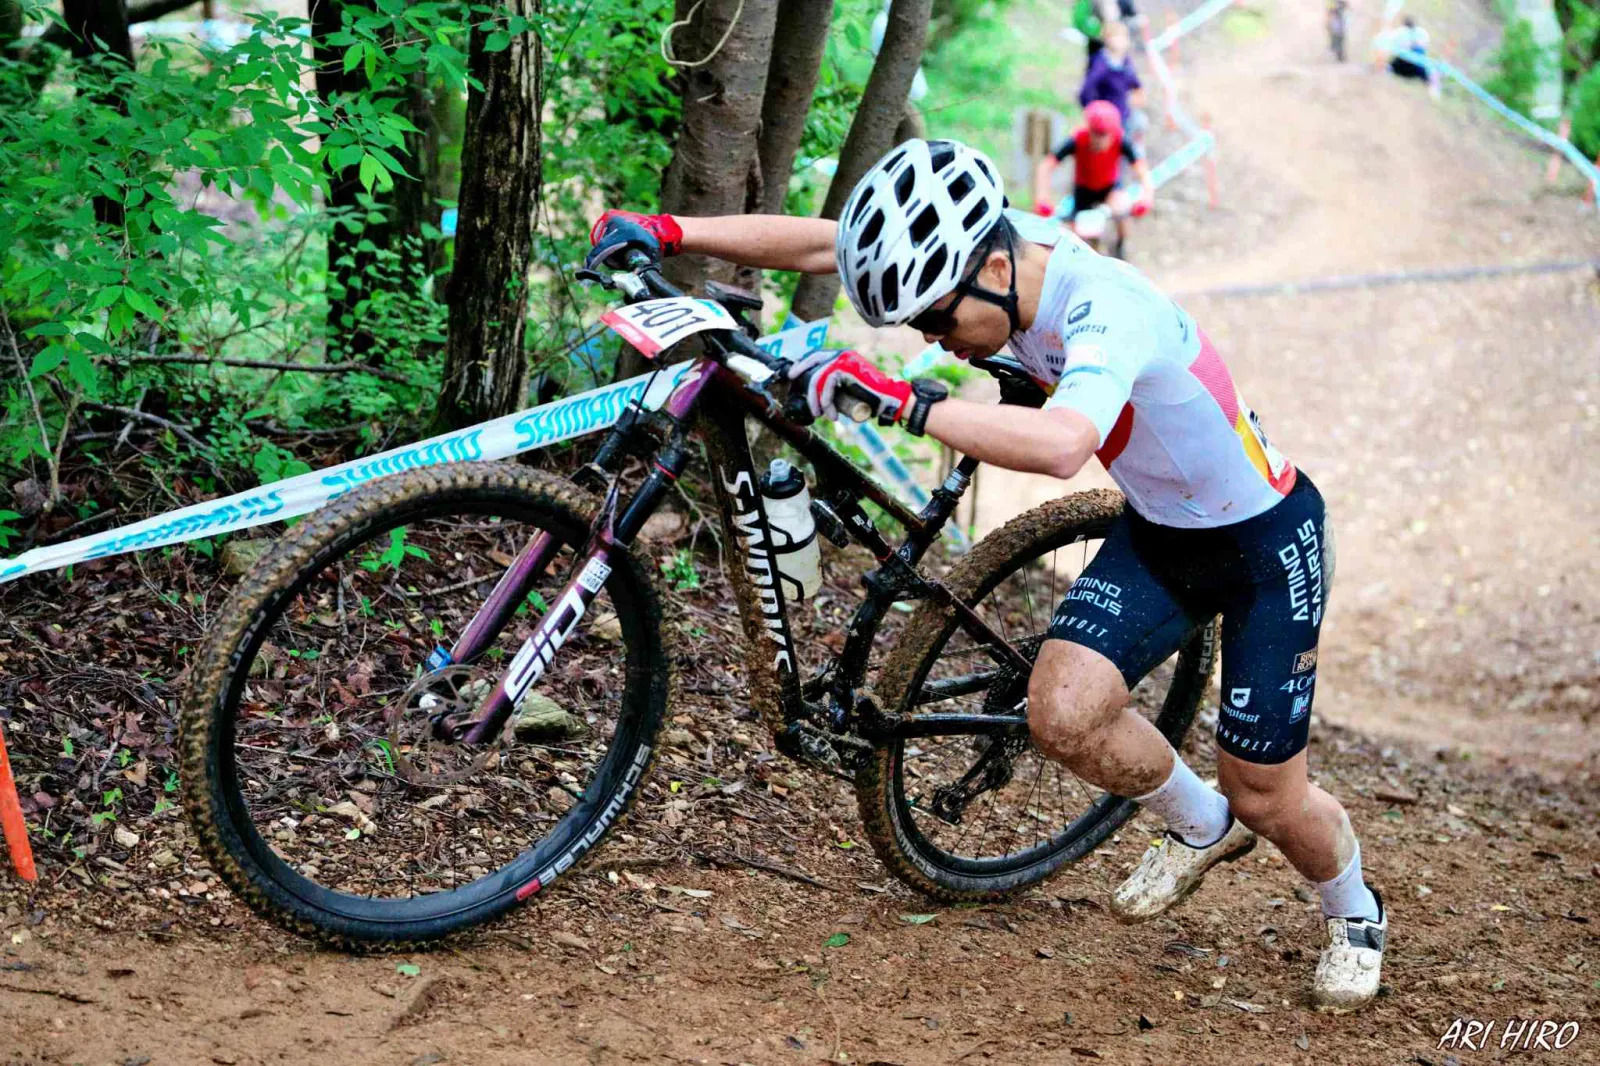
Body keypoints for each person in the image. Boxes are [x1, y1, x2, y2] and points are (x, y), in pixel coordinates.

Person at [587, 138, 1389, 1013]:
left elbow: (1064, 444)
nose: (935, 340)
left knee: (1266, 796)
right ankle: (1203, 826)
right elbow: (826, 243)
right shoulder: (988, 246)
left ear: (997, 271)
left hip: (1266, 545)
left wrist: (904, 401)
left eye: (938, 321)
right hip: (1163, 533)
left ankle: (1353, 910)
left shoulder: (1106, 308)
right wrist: (670, 230)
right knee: (1061, 716)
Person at [1033, 101, 1153, 258]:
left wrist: (1146, 197)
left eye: (1104, 135)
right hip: (1084, 190)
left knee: (1121, 208)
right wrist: (1042, 197)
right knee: (1079, 234)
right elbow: (1046, 165)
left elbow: (1142, 169)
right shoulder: (1077, 140)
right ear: (1089, 130)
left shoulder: (1121, 140)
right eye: (1096, 134)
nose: (1100, 141)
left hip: (1110, 187)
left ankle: (1121, 245)